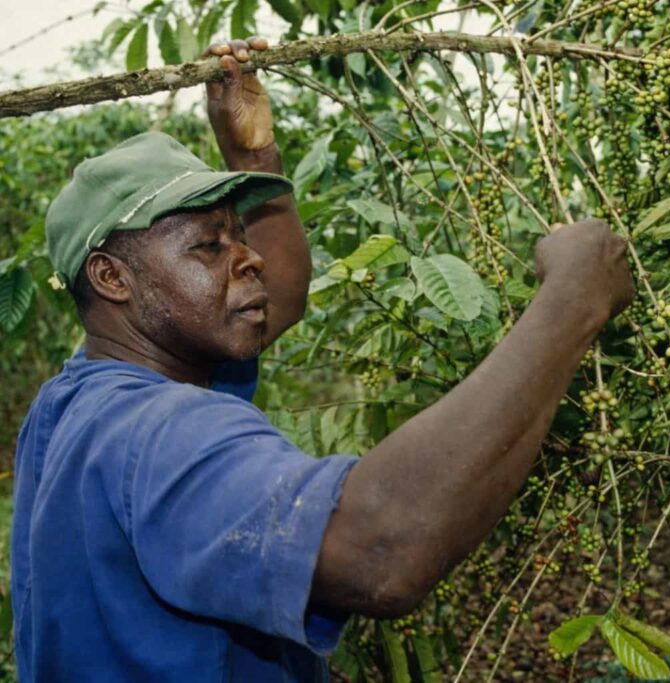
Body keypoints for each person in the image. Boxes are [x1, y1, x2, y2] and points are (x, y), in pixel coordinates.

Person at [11, 38, 635, 681]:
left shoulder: (83, 396)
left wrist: (253, 155)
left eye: (241, 235)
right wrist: (571, 303)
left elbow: (276, 289)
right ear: (113, 278)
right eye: (207, 246)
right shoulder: (157, 435)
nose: (246, 258)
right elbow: (381, 552)